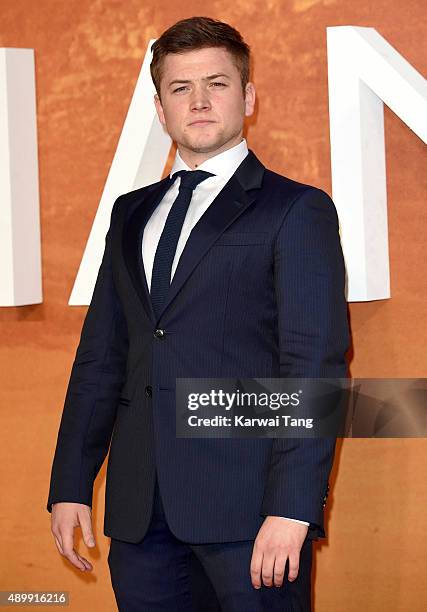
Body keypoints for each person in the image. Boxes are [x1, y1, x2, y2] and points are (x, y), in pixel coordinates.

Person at [47, 15, 350, 611]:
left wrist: (292, 507)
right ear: (161, 108)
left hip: (251, 513)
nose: (201, 101)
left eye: (217, 83)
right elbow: (102, 357)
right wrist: (70, 483)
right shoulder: (129, 213)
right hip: (139, 516)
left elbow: (312, 367)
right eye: (181, 88)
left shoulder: (297, 210)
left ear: (249, 97)